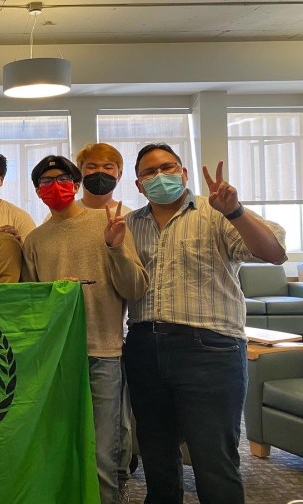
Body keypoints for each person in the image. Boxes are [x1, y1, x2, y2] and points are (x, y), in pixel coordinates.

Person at [124, 143, 287, 504]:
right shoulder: (129, 225)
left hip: (210, 350)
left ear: (183, 173)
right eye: (149, 172)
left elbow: (274, 253)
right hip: (144, 347)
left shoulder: (216, 214)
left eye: (168, 168)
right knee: (157, 456)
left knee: (214, 458)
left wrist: (236, 212)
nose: (159, 176)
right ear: (138, 185)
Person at [21, 155, 148, 504]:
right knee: (59, 448)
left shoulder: (108, 224)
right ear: (37, 191)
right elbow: (31, 305)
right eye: (45, 182)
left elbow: (135, 288)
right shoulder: (34, 240)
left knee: (104, 456)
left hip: (102, 353)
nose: (54, 186)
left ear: (77, 184)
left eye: (62, 178)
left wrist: (116, 246)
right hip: (56, 360)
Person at [74, 142, 135, 501]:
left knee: (109, 442)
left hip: (110, 344)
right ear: (80, 172)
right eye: (92, 166)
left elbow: (134, 284)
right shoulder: (58, 218)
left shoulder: (131, 219)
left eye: (109, 167)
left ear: (120, 173)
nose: (100, 172)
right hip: (65, 348)